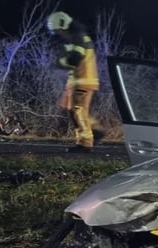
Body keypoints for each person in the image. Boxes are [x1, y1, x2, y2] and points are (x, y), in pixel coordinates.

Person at [47, 11, 102, 153]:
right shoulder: (75, 38)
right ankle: (95, 130)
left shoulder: (78, 38)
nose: (59, 34)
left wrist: (60, 62)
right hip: (76, 81)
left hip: (83, 81)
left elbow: (75, 59)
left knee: (78, 111)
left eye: (58, 31)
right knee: (71, 109)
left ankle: (85, 143)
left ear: (63, 26)